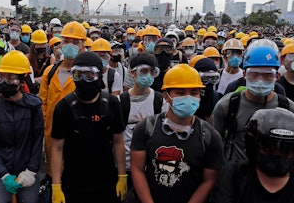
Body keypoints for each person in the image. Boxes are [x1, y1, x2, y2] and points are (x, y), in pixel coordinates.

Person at [130, 63, 224, 203]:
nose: (188, 97)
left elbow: (209, 180)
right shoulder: (146, 128)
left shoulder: (210, 136)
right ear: (166, 96)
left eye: (194, 93)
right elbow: (137, 169)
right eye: (180, 93)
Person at [51, 51, 127, 203]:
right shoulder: (63, 108)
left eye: (89, 75)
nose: (84, 80)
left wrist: (122, 175)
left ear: (99, 75)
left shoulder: (112, 104)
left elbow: (118, 141)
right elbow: (57, 148)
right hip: (74, 180)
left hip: (106, 178)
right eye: (78, 75)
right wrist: (56, 185)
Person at [210, 45, 294, 162]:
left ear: (277, 76)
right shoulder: (227, 105)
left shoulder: (288, 108)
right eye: (254, 74)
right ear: (244, 75)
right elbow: (214, 147)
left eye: (267, 75)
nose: (260, 80)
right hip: (235, 175)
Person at [0, 50, 43, 203]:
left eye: (10, 78)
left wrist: (30, 171)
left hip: (28, 173)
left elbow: (37, 141)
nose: (4, 82)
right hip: (1, 174)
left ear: (22, 81)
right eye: (1, 77)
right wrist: (3, 174)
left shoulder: (34, 107)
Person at [211, 108, 294, 203]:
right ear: (253, 147)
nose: (277, 155)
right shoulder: (234, 174)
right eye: (268, 149)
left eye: (286, 150)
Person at [38, 21, 87, 181]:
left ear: (83, 45)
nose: (70, 45)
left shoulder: (88, 74)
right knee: (55, 177)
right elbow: (43, 103)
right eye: (66, 41)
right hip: (52, 135)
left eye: (75, 42)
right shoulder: (50, 72)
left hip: (78, 136)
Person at [119, 53, 162, 191]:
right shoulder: (121, 101)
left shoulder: (159, 101)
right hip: (125, 166)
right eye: (143, 71)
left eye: (152, 71)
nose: (148, 75)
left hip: (150, 167)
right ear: (133, 73)